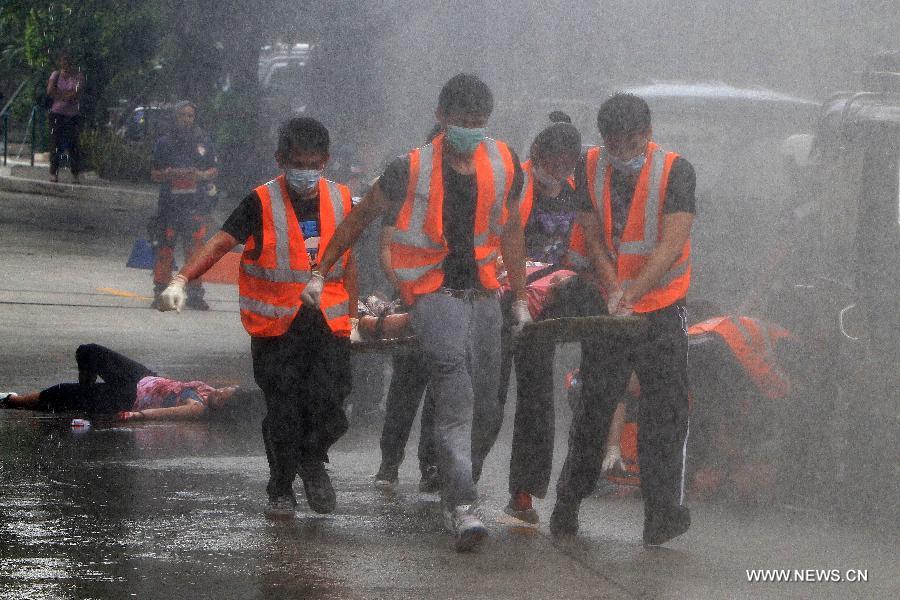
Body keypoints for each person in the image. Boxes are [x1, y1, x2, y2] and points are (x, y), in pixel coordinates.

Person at [311, 74, 529, 551]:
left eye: (478, 122)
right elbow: (359, 218)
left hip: (486, 296)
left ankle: (459, 478)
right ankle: (462, 505)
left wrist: (521, 293)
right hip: (433, 294)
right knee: (456, 393)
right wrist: (320, 268)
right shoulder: (407, 169)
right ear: (440, 117)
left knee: (489, 406)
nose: (470, 129)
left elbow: (511, 230)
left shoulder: (506, 161)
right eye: (461, 121)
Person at [155, 117, 358, 519]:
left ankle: (311, 458)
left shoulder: (343, 200)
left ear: (327, 161)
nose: (307, 170)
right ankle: (281, 489)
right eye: (299, 162)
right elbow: (219, 242)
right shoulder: (260, 202)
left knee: (333, 404)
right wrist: (181, 278)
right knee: (284, 409)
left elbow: (350, 262)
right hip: (276, 327)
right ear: (281, 159)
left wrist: (351, 317)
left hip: (328, 324)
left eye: (315, 162)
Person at [552, 93, 696, 546]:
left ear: (647, 135)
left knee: (664, 416)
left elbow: (671, 244)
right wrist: (613, 288)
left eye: (630, 143)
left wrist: (633, 292)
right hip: (610, 307)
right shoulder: (589, 165)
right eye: (613, 144)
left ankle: (660, 515)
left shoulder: (676, 171)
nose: (622, 153)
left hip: (662, 305)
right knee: (595, 407)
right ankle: (567, 506)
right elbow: (592, 233)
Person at [488, 119, 604, 524]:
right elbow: (500, 241)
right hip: (502, 301)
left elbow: (582, 251)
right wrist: (520, 292)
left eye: (566, 166)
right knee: (490, 399)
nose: (558, 173)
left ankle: (524, 495)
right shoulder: (514, 187)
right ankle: (460, 484)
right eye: (551, 164)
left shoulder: (575, 196)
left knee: (538, 399)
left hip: (545, 308)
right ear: (535, 155)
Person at [0, 344, 246, 420]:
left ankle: (11, 400)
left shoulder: (197, 407)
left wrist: (136, 416)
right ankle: (84, 396)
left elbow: (170, 412)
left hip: (130, 397)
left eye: (226, 395)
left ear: (224, 408)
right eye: (227, 389)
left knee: (63, 392)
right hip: (143, 376)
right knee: (87, 351)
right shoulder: (208, 391)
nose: (222, 391)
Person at [149, 100, 219, 310]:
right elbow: (153, 174)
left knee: (195, 251)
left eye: (190, 115)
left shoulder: (204, 142)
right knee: (164, 251)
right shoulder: (163, 143)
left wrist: (199, 175)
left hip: (194, 207)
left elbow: (214, 170)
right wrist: (168, 174)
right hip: (169, 207)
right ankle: (161, 292)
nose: (187, 119)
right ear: (174, 117)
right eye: (182, 115)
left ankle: (195, 294)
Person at [46, 50, 85, 184]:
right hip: (57, 113)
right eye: (64, 60)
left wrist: (62, 94)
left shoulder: (78, 76)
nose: (66, 63)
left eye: (69, 60)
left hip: (72, 114)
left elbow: (76, 92)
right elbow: (50, 90)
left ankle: (75, 174)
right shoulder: (55, 75)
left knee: (73, 144)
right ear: (60, 62)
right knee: (55, 143)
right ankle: (53, 173)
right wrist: (65, 95)